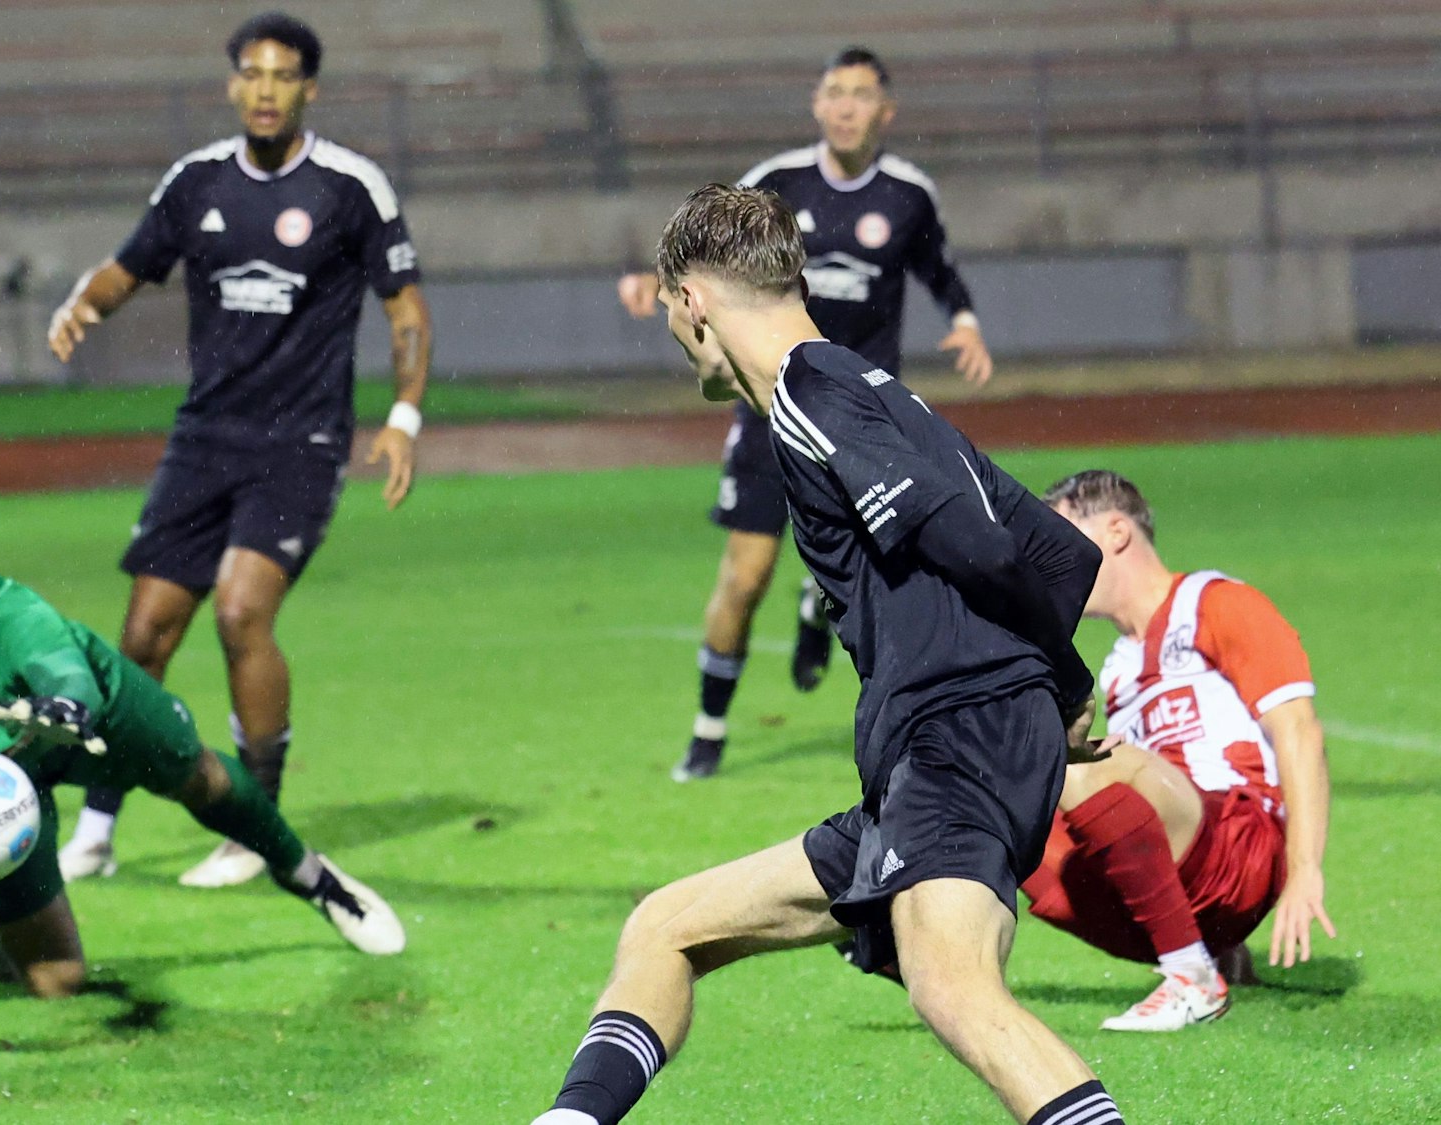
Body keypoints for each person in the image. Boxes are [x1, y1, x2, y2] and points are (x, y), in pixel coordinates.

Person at [531, 184, 1124, 1125]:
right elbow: (1051, 548)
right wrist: (1059, 686)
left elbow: (981, 541)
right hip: (951, 741)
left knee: (952, 983)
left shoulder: (811, 395)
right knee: (667, 927)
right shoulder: (865, 387)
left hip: (954, 732)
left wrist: (1061, 679)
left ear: (690, 300)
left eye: (668, 313)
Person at [45, 11, 432, 887]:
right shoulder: (196, 182)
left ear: (309, 90)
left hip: (301, 443)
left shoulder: (349, 187)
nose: (265, 90)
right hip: (204, 437)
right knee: (143, 634)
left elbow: (405, 309)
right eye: (251, 75)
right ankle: (97, 828)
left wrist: (404, 415)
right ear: (232, 86)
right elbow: (128, 266)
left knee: (239, 613)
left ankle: (254, 828)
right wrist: (85, 303)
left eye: (282, 76)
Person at [0, 532, 405, 997]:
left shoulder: (14, 613)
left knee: (199, 778)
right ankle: (14, 928)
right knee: (57, 982)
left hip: (92, 715)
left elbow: (69, 676)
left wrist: (62, 706)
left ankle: (313, 880)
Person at [616, 47, 992, 781]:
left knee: (880, 573)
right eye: (834, 93)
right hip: (769, 403)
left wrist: (967, 320)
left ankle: (850, 648)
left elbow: (940, 268)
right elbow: (701, 236)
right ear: (817, 105)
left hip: (861, 413)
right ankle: (707, 729)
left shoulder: (909, 194)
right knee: (745, 575)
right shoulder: (778, 183)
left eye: (861, 95)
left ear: (886, 112)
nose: (847, 106)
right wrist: (656, 281)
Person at [1017, 470, 1333, 1030]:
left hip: (1243, 847)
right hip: (1186, 884)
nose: (1049, 563)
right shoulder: (1118, 666)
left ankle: (1191, 979)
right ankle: (900, 945)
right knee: (1002, 804)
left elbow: (1299, 732)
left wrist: (1306, 868)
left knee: (1081, 768)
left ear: (1116, 532)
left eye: (1061, 539)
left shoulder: (1217, 602)